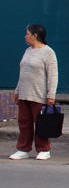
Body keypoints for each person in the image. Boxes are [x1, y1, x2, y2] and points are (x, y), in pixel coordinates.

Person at [9, 24, 58, 160]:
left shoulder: (48, 52)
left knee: (41, 123)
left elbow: (53, 75)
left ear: (35, 36)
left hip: (39, 95)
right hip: (25, 93)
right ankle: (23, 149)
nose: (25, 37)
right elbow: (23, 73)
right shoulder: (28, 51)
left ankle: (44, 149)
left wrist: (51, 95)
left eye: (27, 34)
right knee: (24, 122)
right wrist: (17, 91)